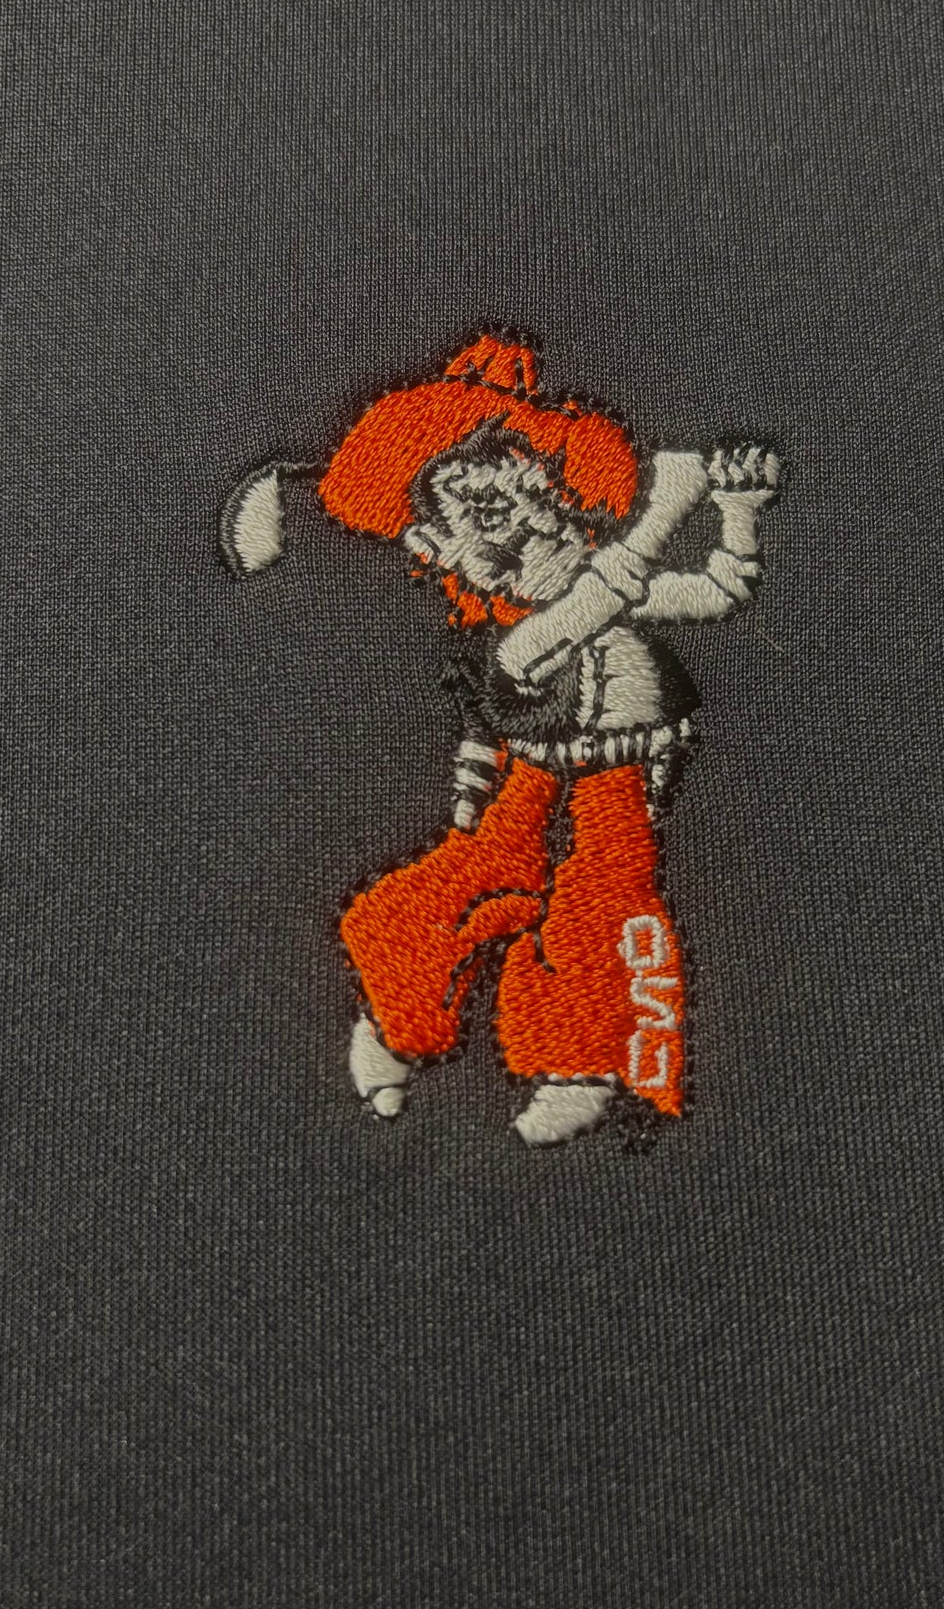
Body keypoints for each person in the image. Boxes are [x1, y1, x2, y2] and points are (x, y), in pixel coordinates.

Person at [316, 335, 780, 1145]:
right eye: (489, 517)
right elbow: (577, 618)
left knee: (600, 902)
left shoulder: (601, 590)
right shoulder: (517, 641)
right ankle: (395, 1022)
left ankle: (581, 1063)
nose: (537, 525)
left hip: (620, 777)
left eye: (537, 497)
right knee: (462, 882)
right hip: (527, 772)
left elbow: (717, 590)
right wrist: (664, 510)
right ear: (439, 549)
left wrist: (739, 511)